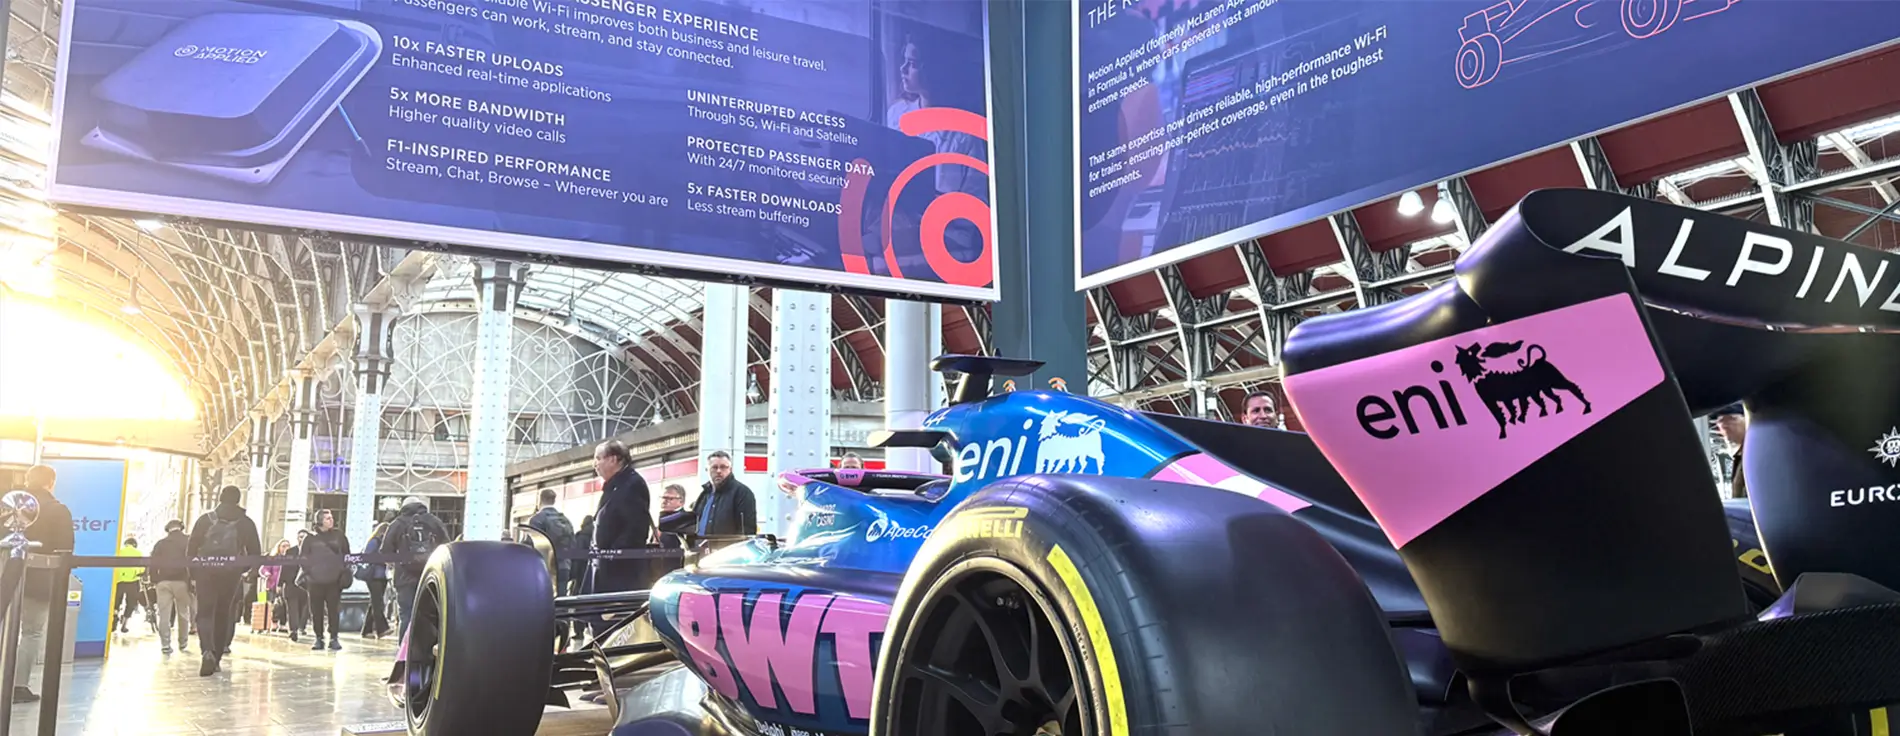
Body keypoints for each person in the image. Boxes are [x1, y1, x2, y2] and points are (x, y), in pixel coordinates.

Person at [13, 465, 73, 704]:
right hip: (38, 581)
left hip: (7, 575)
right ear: (51, 482)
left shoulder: (11, 505)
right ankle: (18, 686)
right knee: (31, 632)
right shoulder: (57, 510)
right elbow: (65, 550)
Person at [188, 485, 262, 677]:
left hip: (205, 571)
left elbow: (191, 547)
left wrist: (193, 574)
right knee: (223, 613)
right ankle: (217, 658)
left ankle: (206, 650)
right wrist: (243, 569)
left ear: (220, 497)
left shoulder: (205, 519)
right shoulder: (246, 523)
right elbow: (255, 552)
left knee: (205, 612)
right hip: (230, 573)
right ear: (238, 500)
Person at [589, 441, 652, 594]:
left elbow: (635, 528)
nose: (594, 464)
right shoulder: (614, 484)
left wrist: (612, 556)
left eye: (598, 458)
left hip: (621, 573)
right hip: (606, 567)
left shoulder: (632, 484)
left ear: (613, 459)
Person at [384, 496, 449, 637]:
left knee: (406, 615)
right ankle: (426, 647)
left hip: (404, 578)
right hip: (430, 577)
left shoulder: (397, 523)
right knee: (429, 615)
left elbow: (385, 553)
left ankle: (405, 648)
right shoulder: (434, 521)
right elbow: (447, 546)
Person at [300, 509, 351, 651]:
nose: (331, 520)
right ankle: (319, 638)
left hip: (334, 581)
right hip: (315, 581)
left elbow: (347, 554)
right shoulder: (310, 538)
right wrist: (309, 573)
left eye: (331, 517)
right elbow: (303, 558)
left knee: (334, 610)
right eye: (328, 518)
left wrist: (343, 571)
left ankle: (334, 638)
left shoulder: (339, 536)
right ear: (320, 520)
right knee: (316, 611)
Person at [148, 520, 195, 655]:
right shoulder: (188, 541)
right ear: (181, 528)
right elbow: (193, 561)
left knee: (164, 615)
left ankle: (165, 645)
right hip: (182, 582)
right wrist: (193, 580)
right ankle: (183, 643)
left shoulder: (161, 543)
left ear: (168, 529)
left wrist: (154, 580)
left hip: (163, 582)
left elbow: (153, 563)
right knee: (183, 613)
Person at [690, 451, 757, 539]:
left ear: (730, 469)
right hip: (701, 545)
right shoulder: (704, 494)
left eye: (723, 467)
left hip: (727, 546)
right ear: (707, 470)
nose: (718, 471)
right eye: (714, 467)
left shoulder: (742, 493)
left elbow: (747, 529)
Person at [528, 490, 576, 595]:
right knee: (561, 599)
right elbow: (573, 545)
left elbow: (530, 545)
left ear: (540, 500)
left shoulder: (536, 520)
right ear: (554, 501)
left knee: (544, 599)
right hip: (564, 567)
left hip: (544, 568)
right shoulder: (565, 520)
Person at [357, 518, 393, 639]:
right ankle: (382, 629)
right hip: (374, 576)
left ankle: (366, 630)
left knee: (374, 603)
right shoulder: (375, 541)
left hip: (382, 576)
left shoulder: (384, 544)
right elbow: (367, 556)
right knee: (378, 604)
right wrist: (383, 560)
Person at [280, 529, 310, 642]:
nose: (302, 539)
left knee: (303, 608)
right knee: (292, 608)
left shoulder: (312, 551)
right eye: (300, 537)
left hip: (305, 585)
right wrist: (280, 583)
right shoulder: (290, 552)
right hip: (291, 584)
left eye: (304, 537)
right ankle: (293, 630)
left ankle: (300, 626)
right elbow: (284, 568)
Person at [1713, 404, 1748, 499]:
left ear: (1747, 420)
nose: (1724, 425)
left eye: (1732, 419)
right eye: (1720, 421)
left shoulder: (1755, 452)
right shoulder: (1741, 455)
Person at [111, 537, 142, 634]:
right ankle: (124, 624)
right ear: (134, 544)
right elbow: (142, 568)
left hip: (119, 581)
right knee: (131, 603)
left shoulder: (119, 552)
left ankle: (114, 621)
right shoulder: (138, 553)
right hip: (133, 581)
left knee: (116, 602)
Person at [656, 484, 690, 550]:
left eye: (669, 498)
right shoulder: (662, 519)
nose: (664, 501)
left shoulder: (684, 521)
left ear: (681, 501)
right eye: (662, 498)